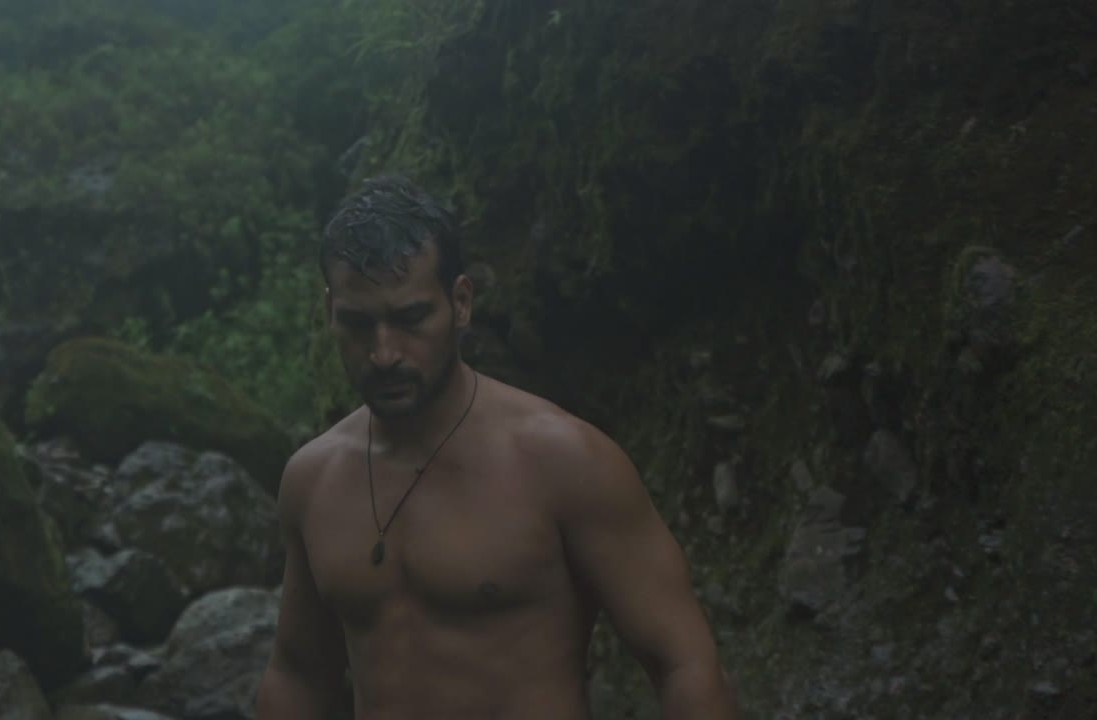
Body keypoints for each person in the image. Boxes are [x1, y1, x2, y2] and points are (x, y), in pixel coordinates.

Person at [255, 175, 738, 719]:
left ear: (460, 303)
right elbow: (297, 674)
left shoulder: (562, 462)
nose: (384, 353)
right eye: (358, 323)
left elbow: (685, 664)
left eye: (411, 318)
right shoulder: (313, 481)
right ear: (330, 312)